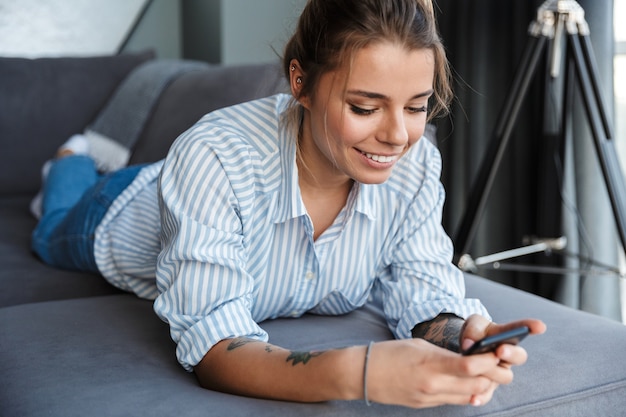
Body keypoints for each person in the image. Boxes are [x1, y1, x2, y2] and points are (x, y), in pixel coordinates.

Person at [31, 0, 546, 409]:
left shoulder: (413, 165)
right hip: (120, 211)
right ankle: (71, 156)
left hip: (179, 182)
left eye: (416, 107)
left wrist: (460, 336)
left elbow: (422, 283)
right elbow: (213, 347)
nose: (396, 136)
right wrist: (357, 372)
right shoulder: (214, 155)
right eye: (364, 107)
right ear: (300, 82)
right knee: (50, 225)